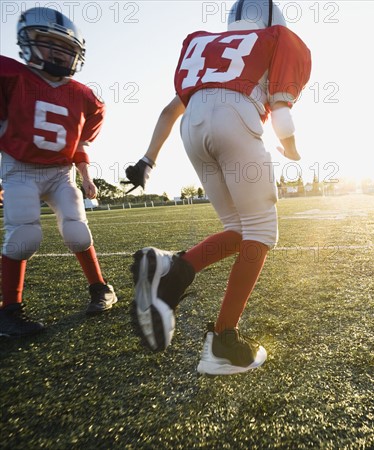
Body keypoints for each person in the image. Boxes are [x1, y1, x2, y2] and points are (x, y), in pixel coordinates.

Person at [125, 0, 311, 375]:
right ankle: (224, 341)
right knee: (262, 229)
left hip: (191, 129)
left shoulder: (207, 47)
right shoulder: (275, 39)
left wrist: (147, 160)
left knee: (239, 229)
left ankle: (172, 269)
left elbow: (168, 111)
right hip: (236, 117)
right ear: (274, 21)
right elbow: (283, 115)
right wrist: (290, 149)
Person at [0, 7, 117, 337]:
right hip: (20, 168)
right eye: (50, 44)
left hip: (60, 172)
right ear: (28, 42)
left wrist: (86, 175)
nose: (59, 53)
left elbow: (78, 140)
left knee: (78, 232)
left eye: (66, 47)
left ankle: (101, 288)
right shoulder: (10, 75)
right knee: (24, 237)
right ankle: (9, 309)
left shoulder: (83, 95)